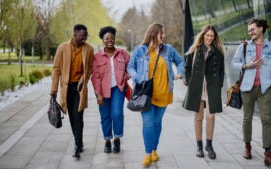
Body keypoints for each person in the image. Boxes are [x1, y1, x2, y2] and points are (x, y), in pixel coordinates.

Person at [127, 22, 184, 167]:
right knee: (148, 123)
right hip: (146, 94)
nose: (164, 35)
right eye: (161, 33)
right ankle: (147, 153)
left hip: (164, 93)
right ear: (153, 33)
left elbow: (181, 62)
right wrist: (137, 77)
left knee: (157, 123)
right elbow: (130, 67)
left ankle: (154, 150)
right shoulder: (140, 50)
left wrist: (179, 73)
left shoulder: (168, 50)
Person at [231, 18, 271, 165]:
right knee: (247, 119)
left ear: (261, 29)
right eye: (249, 30)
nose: (250, 32)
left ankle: (268, 153)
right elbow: (234, 63)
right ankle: (247, 147)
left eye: (252, 29)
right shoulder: (244, 47)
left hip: (265, 89)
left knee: (267, 120)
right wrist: (247, 65)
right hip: (247, 88)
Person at [50, 24, 94, 158]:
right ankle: (79, 142)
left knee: (78, 116)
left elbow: (90, 68)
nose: (84, 38)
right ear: (74, 35)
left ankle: (77, 145)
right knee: (71, 116)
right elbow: (56, 69)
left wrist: (83, 81)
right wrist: (54, 89)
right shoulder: (62, 48)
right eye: (82, 36)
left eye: (86, 35)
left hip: (79, 88)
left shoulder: (89, 49)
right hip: (66, 88)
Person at [182, 25, 225, 160]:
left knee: (211, 117)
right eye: (207, 35)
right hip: (197, 87)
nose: (209, 38)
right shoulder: (195, 50)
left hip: (212, 87)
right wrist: (190, 82)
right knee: (198, 117)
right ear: (203, 35)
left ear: (215, 37)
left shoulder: (218, 52)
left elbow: (221, 70)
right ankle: (199, 145)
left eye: (212, 36)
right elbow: (187, 67)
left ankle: (209, 145)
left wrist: (219, 84)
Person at [91, 26, 130, 154]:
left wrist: (127, 75)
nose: (110, 40)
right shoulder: (97, 57)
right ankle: (107, 140)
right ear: (103, 40)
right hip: (103, 91)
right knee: (105, 116)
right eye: (107, 38)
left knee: (117, 114)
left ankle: (117, 139)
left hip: (118, 88)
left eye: (112, 38)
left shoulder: (122, 54)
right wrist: (98, 94)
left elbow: (131, 67)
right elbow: (95, 77)